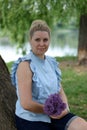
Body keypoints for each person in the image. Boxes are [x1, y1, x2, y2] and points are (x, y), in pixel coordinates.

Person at [11, 19, 87, 130]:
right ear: (30, 41)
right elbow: (26, 103)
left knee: (82, 126)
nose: (42, 44)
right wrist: (51, 110)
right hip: (31, 119)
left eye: (45, 40)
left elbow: (59, 89)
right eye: (37, 40)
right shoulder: (25, 65)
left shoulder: (51, 62)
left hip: (55, 115)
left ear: (49, 40)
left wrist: (64, 108)